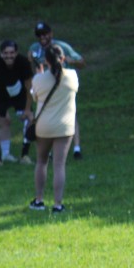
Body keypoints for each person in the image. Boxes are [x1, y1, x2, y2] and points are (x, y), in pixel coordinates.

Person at [29, 44, 79, 213]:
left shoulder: (38, 79)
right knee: (59, 165)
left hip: (44, 126)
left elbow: (35, 97)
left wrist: (40, 74)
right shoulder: (72, 76)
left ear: (46, 60)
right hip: (64, 127)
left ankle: (39, 200)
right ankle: (57, 204)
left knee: (41, 162)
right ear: (63, 59)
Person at [29, 22, 86, 158]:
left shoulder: (62, 47)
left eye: (45, 34)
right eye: (39, 35)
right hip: (45, 85)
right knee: (44, 113)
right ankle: (48, 150)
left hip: (61, 85)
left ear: (51, 34)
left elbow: (81, 62)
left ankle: (76, 148)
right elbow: (31, 63)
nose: (42, 37)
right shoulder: (34, 48)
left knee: (70, 114)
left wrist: (71, 61)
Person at [0, 40, 34, 167]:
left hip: (20, 95)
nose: (9, 56)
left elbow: (29, 87)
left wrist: (27, 109)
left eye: (12, 53)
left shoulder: (23, 62)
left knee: (30, 118)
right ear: (1, 53)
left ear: (16, 53)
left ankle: (25, 155)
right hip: (2, 95)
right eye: (6, 53)